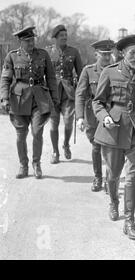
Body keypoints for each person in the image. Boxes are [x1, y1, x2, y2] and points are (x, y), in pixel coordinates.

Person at [92, 34, 135, 240]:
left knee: (131, 177)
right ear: (122, 53)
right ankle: (114, 202)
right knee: (113, 175)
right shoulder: (110, 72)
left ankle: (129, 220)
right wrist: (104, 117)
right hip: (114, 129)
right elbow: (98, 102)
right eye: (133, 53)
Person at [0, 26, 59, 179]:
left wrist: (55, 98)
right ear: (20, 42)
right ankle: (23, 165)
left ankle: (36, 163)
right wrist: (4, 98)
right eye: (27, 41)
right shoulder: (12, 56)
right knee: (21, 135)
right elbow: (5, 78)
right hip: (19, 99)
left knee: (37, 132)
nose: (31, 43)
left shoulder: (43, 55)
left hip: (39, 99)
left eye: (32, 40)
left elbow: (51, 78)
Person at [75, 40, 115, 192]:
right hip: (92, 114)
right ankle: (98, 177)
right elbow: (80, 94)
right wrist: (79, 117)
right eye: (103, 54)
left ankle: (109, 180)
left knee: (111, 148)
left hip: (112, 113)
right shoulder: (88, 71)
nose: (106, 57)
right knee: (96, 147)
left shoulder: (117, 70)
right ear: (96, 54)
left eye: (108, 54)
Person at [47, 25, 83, 164]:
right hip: (52, 92)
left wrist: (82, 92)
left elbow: (81, 73)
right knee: (53, 124)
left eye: (65, 35)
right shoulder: (48, 52)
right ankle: (55, 152)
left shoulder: (74, 52)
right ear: (55, 38)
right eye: (61, 35)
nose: (64, 37)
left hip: (68, 92)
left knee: (68, 122)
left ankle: (66, 144)